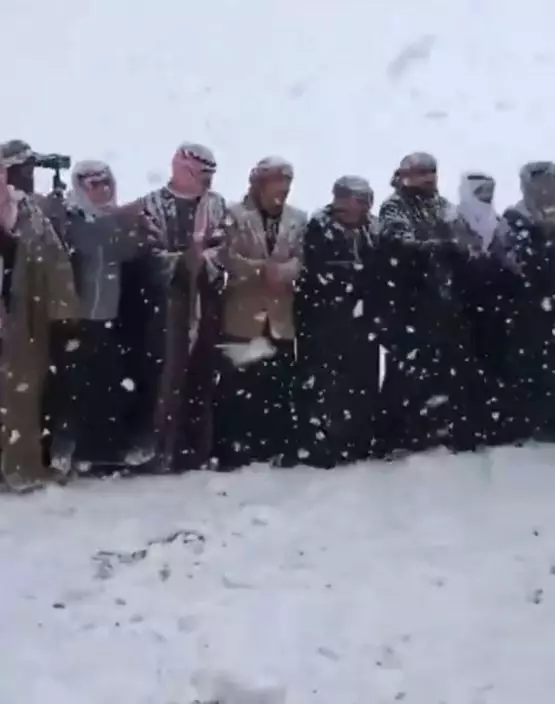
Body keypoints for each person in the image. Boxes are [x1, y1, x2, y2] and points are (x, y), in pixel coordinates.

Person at [43, 159, 156, 473]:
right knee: (70, 388)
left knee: (106, 388)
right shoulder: (67, 219)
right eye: (94, 185)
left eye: (107, 183)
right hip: (74, 319)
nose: (102, 191)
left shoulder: (117, 221)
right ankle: (62, 449)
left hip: (110, 317)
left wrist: (137, 231)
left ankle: (101, 452)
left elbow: (130, 255)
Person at [126, 142, 226, 472]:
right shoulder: (151, 205)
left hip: (206, 300)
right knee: (166, 378)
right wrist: (182, 262)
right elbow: (148, 255)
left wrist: (205, 261)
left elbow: (222, 247)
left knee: (202, 376)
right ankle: (161, 451)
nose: (207, 181)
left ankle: (195, 452)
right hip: (165, 305)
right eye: (202, 174)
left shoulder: (215, 204)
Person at [215, 156, 307, 470]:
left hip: (281, 318)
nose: (283, 189)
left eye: (287, 183)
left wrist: (286, 271)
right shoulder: (234, 215)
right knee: (238, 389)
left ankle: (275, 448)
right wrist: (258, 270)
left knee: (279, 387)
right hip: (243, 316)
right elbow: (225, 256)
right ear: (258, 184)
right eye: (276, 182)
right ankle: (234, 452)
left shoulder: (298, 219)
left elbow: (304, 258)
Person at [0, 151, 78, 491]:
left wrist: (64, 313)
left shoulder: (32, 213)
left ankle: (22, 467)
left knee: (24, 397)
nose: (26, 176)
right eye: (18, 169)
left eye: (30, 169)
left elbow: (56, 263)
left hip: (25, 319)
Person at [295, 176, 380, 467]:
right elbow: (320, 273)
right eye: (360, 199)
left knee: (363, 383)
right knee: (325, 386)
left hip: (362, 321)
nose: (366, 205)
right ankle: (322, 446)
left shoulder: (373, 228)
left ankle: (359, 442)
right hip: (324, 321)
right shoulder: (319, 227)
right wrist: (355, 280)